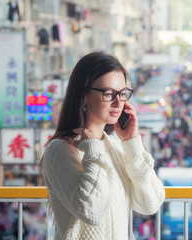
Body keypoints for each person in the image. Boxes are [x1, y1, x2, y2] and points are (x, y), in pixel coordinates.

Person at [41, 51, 165, 239]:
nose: (118, 103)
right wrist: (92, 149)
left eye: (123, 94)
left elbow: (151, 203)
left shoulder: (114, 146)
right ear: (83, 96)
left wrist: (132, 144)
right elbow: (91, 211)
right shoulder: (59, 151)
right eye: (109, 94)